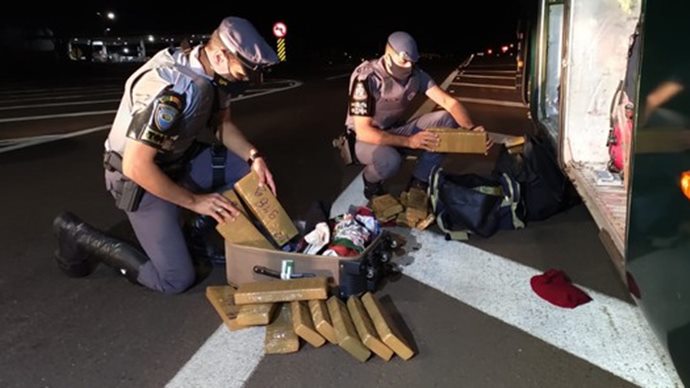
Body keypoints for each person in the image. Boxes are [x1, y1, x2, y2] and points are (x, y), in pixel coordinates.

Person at [52, 17, 279, 294]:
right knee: (174, 280)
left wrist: (254, 157)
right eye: (242, 73)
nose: (243, 81)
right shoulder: (170, 92)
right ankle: (78, 234)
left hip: (178, 161)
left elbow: (222, 125)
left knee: (246, 173)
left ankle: (192, 234)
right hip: (140, 181)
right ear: (220, 55)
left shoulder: (213, 73)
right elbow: (136, 166)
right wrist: (196, 202)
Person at [345, 31, 490, 199]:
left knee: (446, 119)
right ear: (388, 54)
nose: (408, 67)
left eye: (412, 62)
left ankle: (419, 181)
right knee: (390, 161)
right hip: (365, 138)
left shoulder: (416, 75)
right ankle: (371, 182)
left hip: (395, 128)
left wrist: (471, 129)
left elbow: (449, 102)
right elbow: (364, 131)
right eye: (404, 60)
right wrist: (410, 142)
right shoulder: (367, 78)